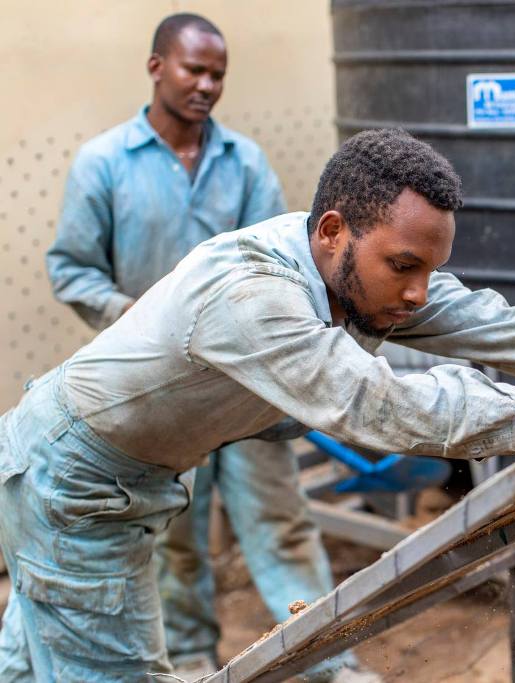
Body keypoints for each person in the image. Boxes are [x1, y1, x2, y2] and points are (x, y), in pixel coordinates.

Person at [0, 128, 515, 681]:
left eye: (430, 271)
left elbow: (496, 323)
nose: (418, 293)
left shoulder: (357, 272)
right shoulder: (252, 294)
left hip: (127, 473)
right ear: (332, 229)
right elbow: (379, 403)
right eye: (404, 266)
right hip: (76, 485)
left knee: (27, 668)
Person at [40, 13, 366, 682]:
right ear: (156, 66)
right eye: (194, 69)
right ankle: (189, 654)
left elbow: (281, 266)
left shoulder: (244, 162)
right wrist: (133, 315)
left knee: (281, 520)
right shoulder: (104, 164)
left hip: (246, 388)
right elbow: (71, 268)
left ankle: (328, 661)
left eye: (219, 74)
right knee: (175, 537)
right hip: (159, 392)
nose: (207, 85)